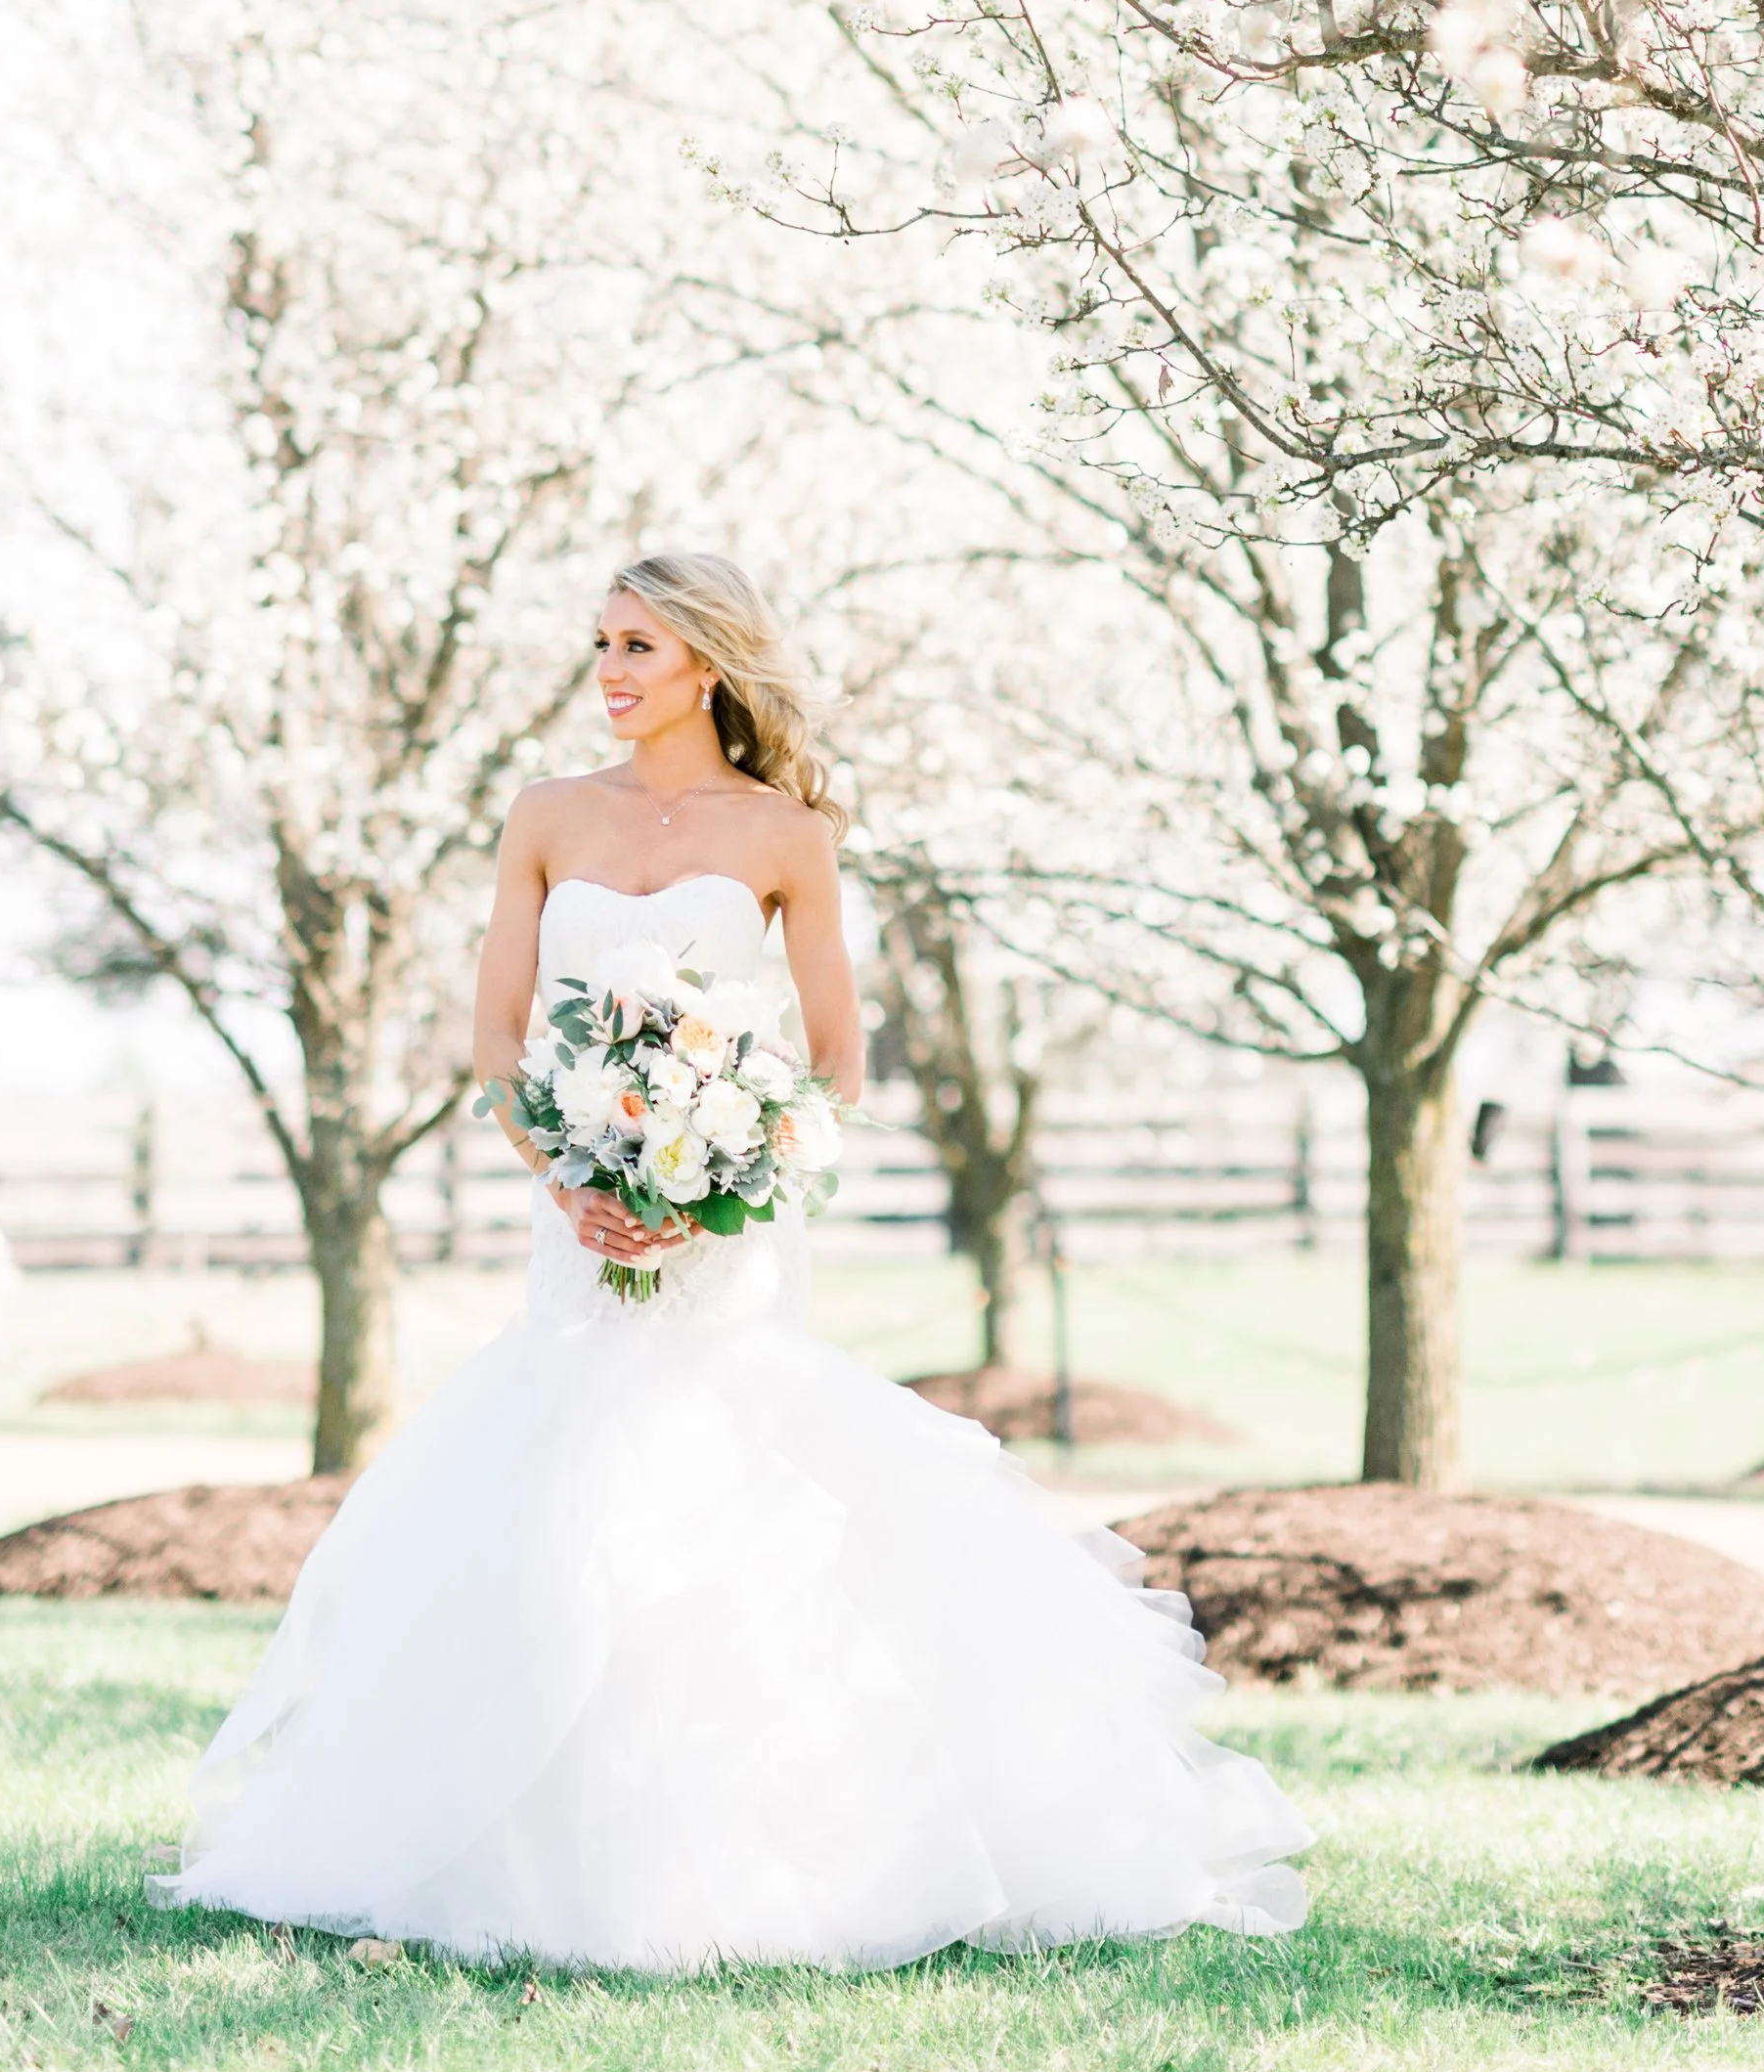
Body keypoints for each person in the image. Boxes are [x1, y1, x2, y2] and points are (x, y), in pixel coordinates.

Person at [151, 550, 1307, 1972]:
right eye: (600, 646)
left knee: (729, 1496)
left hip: (729, 1232)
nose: (612, 672)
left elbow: (836, 1064)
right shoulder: (545, 817)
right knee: (555, 1495)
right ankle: (523, 1852)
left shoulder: (785, 836)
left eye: (638, 645)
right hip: (575, 1227)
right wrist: (574, 1180)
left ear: (707, 661)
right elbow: (501, 1047)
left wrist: (719, 1186)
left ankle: (784, 1854)